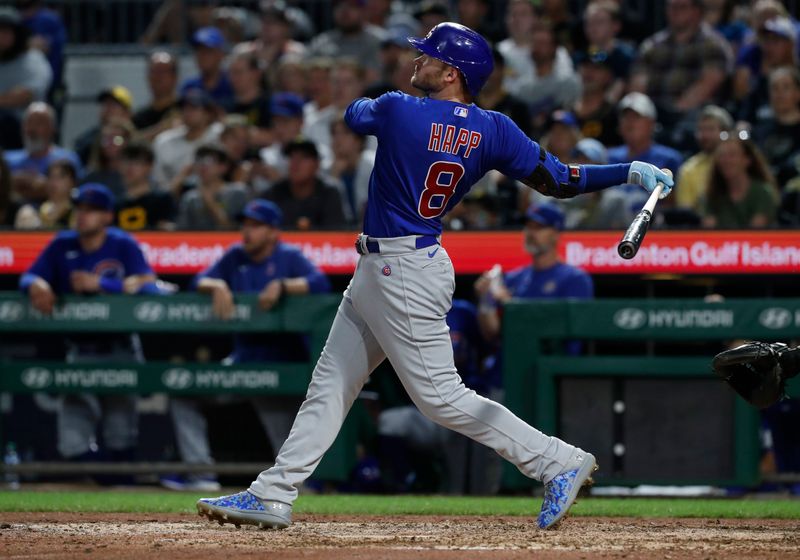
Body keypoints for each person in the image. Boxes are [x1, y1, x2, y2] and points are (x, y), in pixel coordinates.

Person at [196, 22, 673, 531]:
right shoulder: (494, 128)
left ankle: (556, 460)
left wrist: (383, 100)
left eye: (427, 57)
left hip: (401, 267)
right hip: (396, 265)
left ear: (452, 72)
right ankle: (273, 492)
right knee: (331, 384)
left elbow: (355, 113)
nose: (415, 61)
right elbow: (560, 180)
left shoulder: (401, 107)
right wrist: (628, 170)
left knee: (441, 397)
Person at [163, 199, 331, 491]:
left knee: (286, 440)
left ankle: (300, 486)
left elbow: (321, 283)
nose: (247, 231)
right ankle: (201, 475)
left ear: (273, 232)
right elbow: (198, 281)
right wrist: (216, 285)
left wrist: (284, 285)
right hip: (242, 361)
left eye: (256, 226)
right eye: (245, 224)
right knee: (184, 392)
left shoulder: (288, 256)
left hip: (280, 363)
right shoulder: (236, 256)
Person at [19, 183, 158, 471]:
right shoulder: (62, 244)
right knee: (73, 442)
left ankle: (121, 500)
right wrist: (37, 283)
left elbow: (150, 287)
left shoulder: (123, 243)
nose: (83, 215)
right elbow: (28, 277)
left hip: (120, 349)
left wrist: (104, 285)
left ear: (107, 216)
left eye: (92, 210)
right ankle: (97, 494)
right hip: (80, 351)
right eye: (80, 208)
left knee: (121, 437)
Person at [260, 138, 346, 230]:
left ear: (316, 164)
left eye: (304, 157)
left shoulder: (329, 192)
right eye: (292, 157)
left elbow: (336, 233)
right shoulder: (273, 194)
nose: (295, 163)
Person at [701, 134, 779, 229]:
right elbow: (709, 232)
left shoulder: (762, 192)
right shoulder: (712, 194)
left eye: (732, 155)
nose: (726, 161)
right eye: (721, 156)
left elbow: (756, 233)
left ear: (747, 160)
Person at [0, 6, 51, 150]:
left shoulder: (34, 59)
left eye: (6, 31)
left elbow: (24, 95)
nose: (1, 36)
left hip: (26, 128)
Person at [675, 104, 733, 214]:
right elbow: (686, 213)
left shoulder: (738, 163)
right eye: (701, 130)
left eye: (710, 129)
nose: (705, 135)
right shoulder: (688, 170)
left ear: (726, 132)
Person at [116, 142, 176, 231]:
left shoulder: (162, 200)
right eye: (126, 162)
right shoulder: (116, 204)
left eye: (136, 163)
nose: (129, 168)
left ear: (149, 166)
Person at [14, 158, 77, 229]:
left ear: (72, 182)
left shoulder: (78, 212)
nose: (54, 182)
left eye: (60, 177)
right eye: (50, 177)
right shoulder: (37, 212)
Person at [132, 51, 180, 142]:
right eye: (154, 71)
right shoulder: (139, 118)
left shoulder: (186, 108)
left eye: (163, 71)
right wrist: (161, 129)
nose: (158, 77)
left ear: (175, 77)